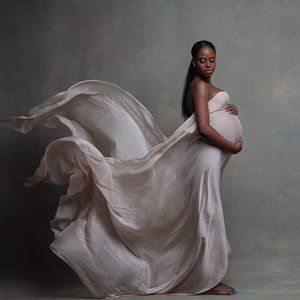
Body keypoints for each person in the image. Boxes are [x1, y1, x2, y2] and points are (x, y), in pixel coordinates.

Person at [0, 40, 242, 298]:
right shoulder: (199, 86)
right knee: (206, 211)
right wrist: (233, 146)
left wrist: (229, 109)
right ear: (194, 62)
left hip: (208, 157)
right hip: (204, 156)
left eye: (212, 59)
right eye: (203, 60)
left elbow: (207, 112)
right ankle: (207, 281)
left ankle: (205, 275)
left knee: (203, 211)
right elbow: (204, 128)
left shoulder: (204, 87)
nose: (208, 64)